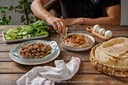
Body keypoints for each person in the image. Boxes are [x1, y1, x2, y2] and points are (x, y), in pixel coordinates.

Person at [31, 0, 121, 36]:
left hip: (97, 33)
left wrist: (81, 20)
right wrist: (49, 17)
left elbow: (115, 20)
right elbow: (35, 4)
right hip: (67, 32)